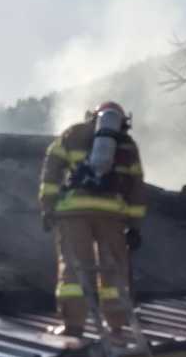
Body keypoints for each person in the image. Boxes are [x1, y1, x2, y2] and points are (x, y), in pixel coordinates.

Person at [38, 101, 146, 343]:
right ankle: (116, 327)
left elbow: (51, 174)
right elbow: (137, 187)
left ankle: (73, 326)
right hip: (112, 215)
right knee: (114, 272)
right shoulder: (127, 145)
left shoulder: (72, 135)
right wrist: (135, 226)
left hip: (73, 212)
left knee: (74, 269)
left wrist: (47, 208)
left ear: (92, 117)